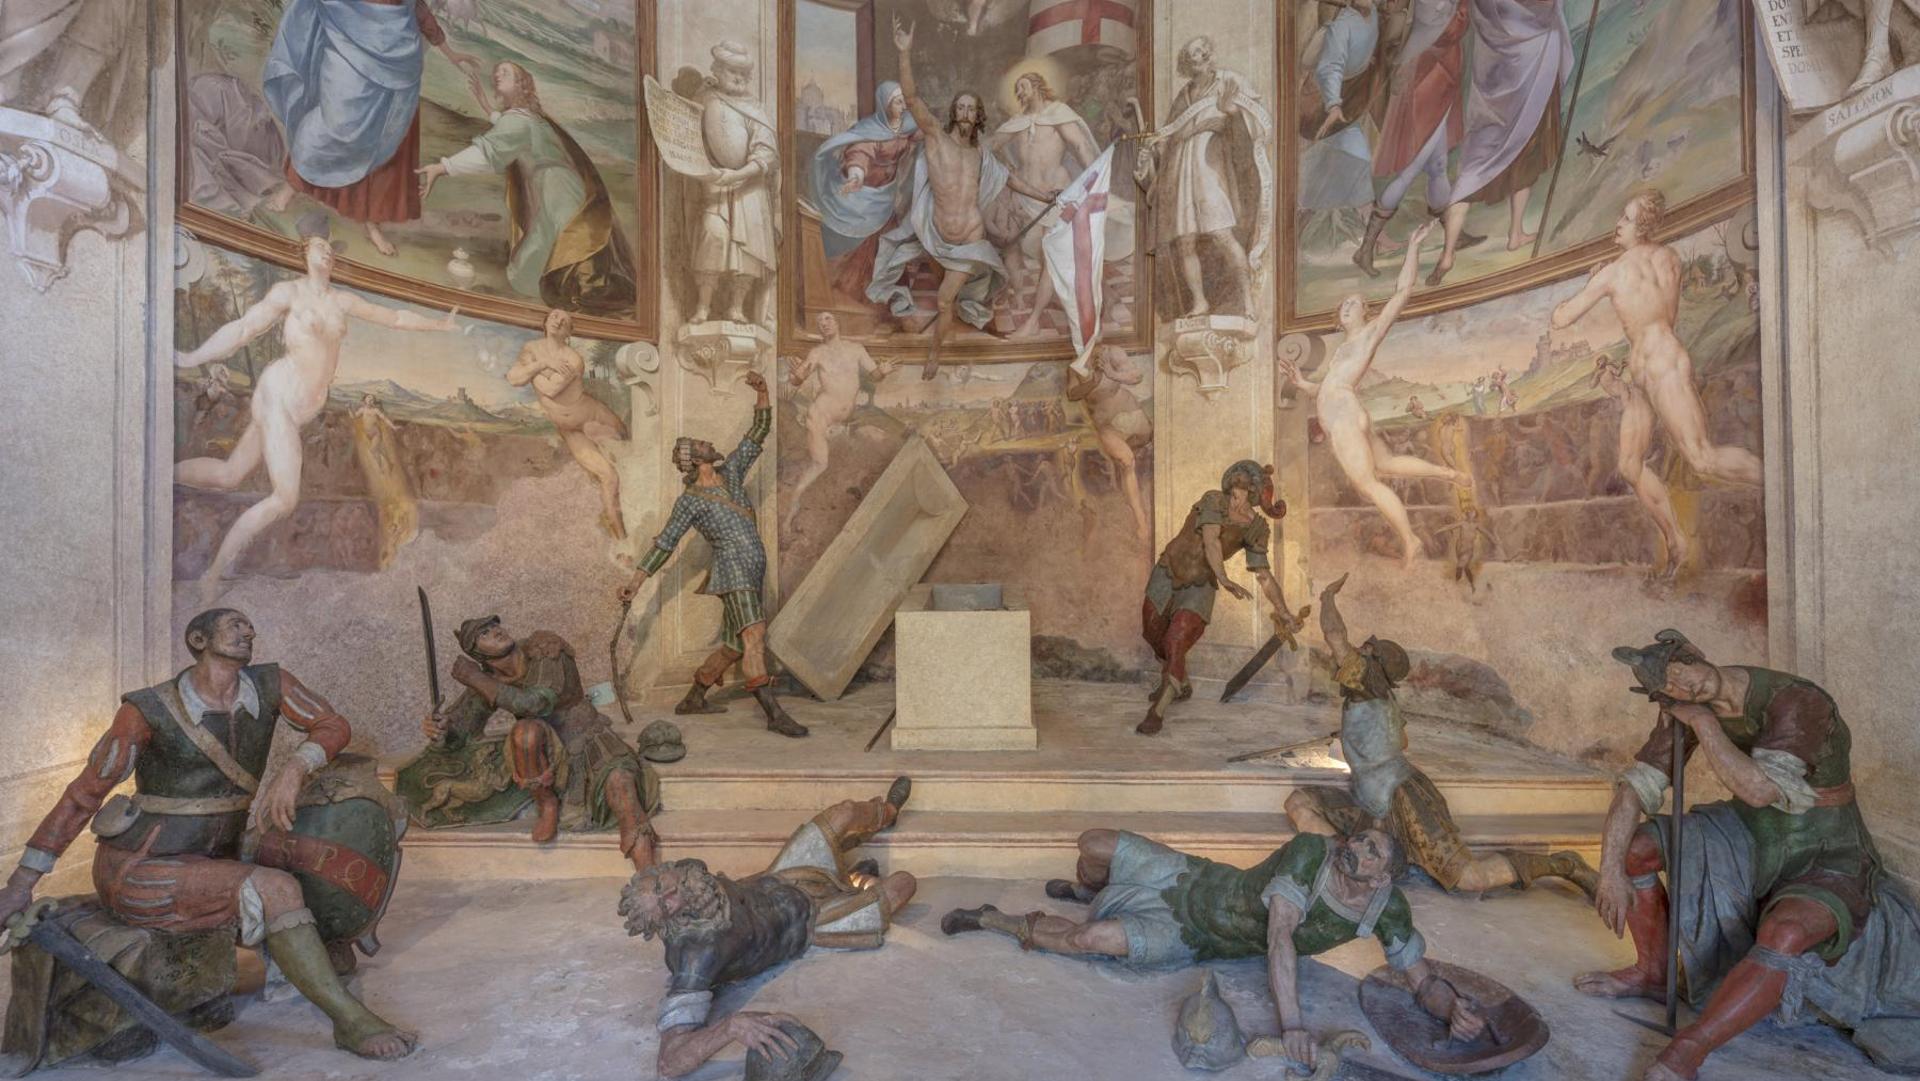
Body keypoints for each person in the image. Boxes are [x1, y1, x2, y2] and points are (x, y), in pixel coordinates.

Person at [0, 609, 415, 1059]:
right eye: (235, 624)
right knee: (276, 887)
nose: (248, 630)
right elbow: (83, 795)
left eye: (250, 625)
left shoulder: (271, 684)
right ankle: (349, 1021)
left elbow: (333, 725)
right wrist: (21, 884)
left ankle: (310, 955)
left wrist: (296, 767)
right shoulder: (146, 710)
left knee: (308, 853)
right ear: (198, 639)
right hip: (146, 868)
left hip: (221, 854)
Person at [1579, 631, 1893, 1081]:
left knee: (1785, 931)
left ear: (1696, 655)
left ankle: (1691, 1046)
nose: (1684, 689)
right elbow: (1636, 787)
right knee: (1636, 849)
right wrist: (1610, 869)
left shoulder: (1796, 699)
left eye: (1682, 674)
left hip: (1821, 846)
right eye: (1670, 687)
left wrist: (1704, 724)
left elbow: (1761, 790)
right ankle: (1653, 972)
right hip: (1745, 831)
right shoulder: (1682, 706)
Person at [940, 827, 1484, 1071]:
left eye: (1371, 852)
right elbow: (1280, 936)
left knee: (1089, 939)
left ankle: (994, 920)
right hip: (1193, 877)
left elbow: (1422, 980)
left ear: (1382, 878)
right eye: (1361, 838)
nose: (1357, 847)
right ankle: (1091, 890)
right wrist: (1294, 1024)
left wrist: (1451, 1009)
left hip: (1193, 936)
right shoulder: (1310, 852)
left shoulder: (1386, 910)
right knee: (1092, 843)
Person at [174, 228, 459, 599]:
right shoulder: (289, 293)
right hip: (280, 393)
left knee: (229, 475)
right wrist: (192, 358)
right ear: (304, 253)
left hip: (302, 408)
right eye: (319, 246)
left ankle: (164, 475)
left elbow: (394, 318)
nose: (326, 252)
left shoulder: (342, 300)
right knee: (285, 498)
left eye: (330, 248)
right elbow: (244, 328)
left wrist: (438, 325)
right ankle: (212, 576)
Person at [1286, 574, 1598, 897]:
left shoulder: (1365, 683)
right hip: (1371, 802)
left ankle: (1565, 864)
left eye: (1366, 649)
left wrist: (1327, 597)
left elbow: (1334, 635)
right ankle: (1351, 860)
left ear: (1372, 662)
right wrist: (1363, 737)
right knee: (1298, 803)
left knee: (1471, 879)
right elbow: (1401, 742)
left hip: (1404, 799)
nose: (1357, 650)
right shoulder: (1379, 697)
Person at [619, 780, 916, 1079]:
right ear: (668, 920)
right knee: (903, 884)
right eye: (665, 905)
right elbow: (669, 1062)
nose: (671, 894)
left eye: (660, 886)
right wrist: (732, 1027)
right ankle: (856, 881)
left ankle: (887, 813)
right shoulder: (696, 956)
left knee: (847, 811)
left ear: (662, 871)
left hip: (787, 872)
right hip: (813, 923)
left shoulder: (689, 871)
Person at [1550, 191, 1762, 579]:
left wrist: (1593, 280)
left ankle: (1779, 481)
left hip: (1661, 364)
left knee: (1702, 458)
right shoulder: (1670, 259)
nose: (1618, 224)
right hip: (1647, 367)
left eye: (1626, 219)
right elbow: (1661, 312)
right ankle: (1677, 543)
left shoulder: (1613, 272)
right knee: (1629, 465)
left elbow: (1562, 318)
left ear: (1642, 226)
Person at [868, 17, 1061, 379]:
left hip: (970, 239)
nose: (966, 113)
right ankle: (964, 320)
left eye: (973, 109)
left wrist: (1044, 195)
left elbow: (1011, 181)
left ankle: (935, 352)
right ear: (954, 112)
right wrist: (904, 53)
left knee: (944, 300)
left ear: (978, 115)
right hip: (935, 236)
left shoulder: (982, 155)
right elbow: (912, 98)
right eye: (962, 107)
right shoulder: (935, 139)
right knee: (951, 299)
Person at [619, 372, 804, 737]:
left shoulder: (731, 473)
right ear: (693, 459)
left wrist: (763, 392)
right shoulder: (690, 501)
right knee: (754, 635)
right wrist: (636, 582)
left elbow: (758, 433)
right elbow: (665, 543)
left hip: (751, 568)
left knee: (734, 646)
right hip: (733, 572)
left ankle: (693, 698)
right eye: (701, 444)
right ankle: (774, 715)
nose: (708, 443)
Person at [1280, 222, 1469, 568]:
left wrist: (1413, 246)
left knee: (1368, 484)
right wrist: (1303, 383)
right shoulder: (1343, 350)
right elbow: (1328, 387)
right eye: (1345, 303)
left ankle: (1410, 540)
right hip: (1345, 411)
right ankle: (1447, 475)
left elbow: (1402, 292)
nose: (1348, 305)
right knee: (1385, 464)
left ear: (1365, 312)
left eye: (1355, 303)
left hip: (1343, 416)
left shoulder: (1368, 335)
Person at [418, 615, 659, 870]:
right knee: (525, 731)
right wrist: (441, 729)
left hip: (588, 740)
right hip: (546, 755)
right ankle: (546, 802)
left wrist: (476, 678)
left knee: (621, 785)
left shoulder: (544, 648)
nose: (496, 632)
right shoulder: (488, 679)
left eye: (494, 626)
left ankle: (648, 874)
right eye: (484, 634)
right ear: (478, 654)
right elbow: (462, 730)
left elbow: (537, 703)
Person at [264, 0, 486, 257]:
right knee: (328, 124)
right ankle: (293, 185)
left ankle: (372, 222)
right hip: (347, 44)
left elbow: (419, 10)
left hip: (398, 63)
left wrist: (451, 53)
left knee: (383, 144)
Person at [416, 62, 636, 315]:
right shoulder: (528, 117)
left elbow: (489, 152)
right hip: (554, 185)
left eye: (505, 72)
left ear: (521, 84)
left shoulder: (520, 120)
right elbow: (507, 128)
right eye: (497, 71)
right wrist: (486, 106)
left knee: (573, 238)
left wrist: (442, 167)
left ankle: (586, 294)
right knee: (533, 257)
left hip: (560, 187)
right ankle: (575, 289)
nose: (497, 74)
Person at [1139, 460, 1302, 736]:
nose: (1235, 493)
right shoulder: (1213, 500)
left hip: (1201, 586)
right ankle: (1180, 680)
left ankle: (1158, 711)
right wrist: (1225, 578)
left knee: (1176, 640)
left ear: (1254, 491)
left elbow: (1263, 575)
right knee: (1153, 633)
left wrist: (1284, 611)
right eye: (1234, 485)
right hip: (1168, 571)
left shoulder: (1256, 528)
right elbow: (1211, 540)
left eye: (1242, 487)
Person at [1428, 0, 1574, 284]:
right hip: (1529, 77)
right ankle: (1515, 233)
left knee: (1474, 168)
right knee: (1527, 152)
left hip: (1492, 88)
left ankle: (1449, 254)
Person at [1136, 36, 1272, 318]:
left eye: (1200, 51)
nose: (1197, 57)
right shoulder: (1183, 96)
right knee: (1185, 241)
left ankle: (1247, 299)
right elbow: (1169, 139)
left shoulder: (1226, 84)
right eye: (1191, 53)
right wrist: (1154, 147)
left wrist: (1231, 114)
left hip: (1211, 171)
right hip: (1182, 174)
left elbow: (1247, 138)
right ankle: (1200, 302)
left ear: (1209, 55)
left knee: (1222, 234)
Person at [1356, 0, 1475, 276]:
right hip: (1427, 78)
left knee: (1437, 166)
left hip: (1440, 76)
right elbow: (1451, 30)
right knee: (1411, 169)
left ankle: (1454, 234)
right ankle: (1365, 248)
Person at [988, 71, 1106, 340]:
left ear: (1037, 86)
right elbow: (990, 146)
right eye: (1016, 89)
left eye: (1023, 86)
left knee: (1051, 257)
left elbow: (1080, 146)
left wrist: (1094, 180)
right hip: (1024, 196)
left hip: (1055, 196)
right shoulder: (1018, 122)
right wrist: (1005, 167)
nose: (1019, 92)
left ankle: (1034, 320)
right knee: (1009, 246)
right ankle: (1018, 296)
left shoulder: (1058, 114)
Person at [507, 309, 630, 539]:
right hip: (570, 430)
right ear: (545, 322)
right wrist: (544, 362)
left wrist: (531, 368)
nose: (559, 321)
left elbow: (550, 389)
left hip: (593, 415)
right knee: (609, 476)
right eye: (555, 316)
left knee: (629, 453)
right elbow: (513, 378)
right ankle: (621, 538)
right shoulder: (531, 349)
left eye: (565, 321)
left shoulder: (573, 358)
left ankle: (629, 530)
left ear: (569, 332)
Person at [782, 312, 896, 531]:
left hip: (848, 417)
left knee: (880, 440)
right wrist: (795, 377)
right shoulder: (817, 353)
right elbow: (798, 377)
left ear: (837, 322)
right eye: (819, 322)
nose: (824, 324)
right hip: (820, 416)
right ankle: (790, 513)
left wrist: (882, 371)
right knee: (820, 464)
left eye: (828, 319)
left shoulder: (856, 349)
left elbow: (874, 375)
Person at [691, 42, 779, 325]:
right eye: (733, 71)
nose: (740, 77)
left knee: (746, 250)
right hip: (715, 183)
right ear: (717, 70)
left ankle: (736, 308)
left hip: (749, 187)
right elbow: (688, 131)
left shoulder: (755, 109)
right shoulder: (705, 98)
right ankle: (703, 306)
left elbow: (767, 153)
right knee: (712, 236)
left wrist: (737, 175)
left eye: (744, 73)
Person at [810, 81, 922, 298]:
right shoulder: (871, 131)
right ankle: (859, 293)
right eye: (897, 102)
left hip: (886, 195)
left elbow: (923, 132)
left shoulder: (906, 124)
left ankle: (887, 293)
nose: (903, 107)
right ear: (885, 105)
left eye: (903, 102)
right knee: (866, 243)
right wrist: (856, 176)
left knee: (888, 240)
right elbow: (859, 154)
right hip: (867, 197)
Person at [1297, 0, 1381, 222]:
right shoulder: (1342, 25)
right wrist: (1333, 105)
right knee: (1355, 156)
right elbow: (1329, 68)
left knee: (1338, 162)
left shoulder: (1373, 13)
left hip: (1349, 98)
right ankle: (1369, 228)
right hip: (1322, 103)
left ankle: (1367, 227)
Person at [1066, 345, 1153, 542]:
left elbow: (1136, 376)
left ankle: (1128, 490)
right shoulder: (1076, 365)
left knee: (1140, 450)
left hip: (1131, 414)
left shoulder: (1111, 352)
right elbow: (1072, 394)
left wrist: (1112, 374)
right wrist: (1093, 382)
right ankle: (1141, 522)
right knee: (1127, 462)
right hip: (1107, 426)